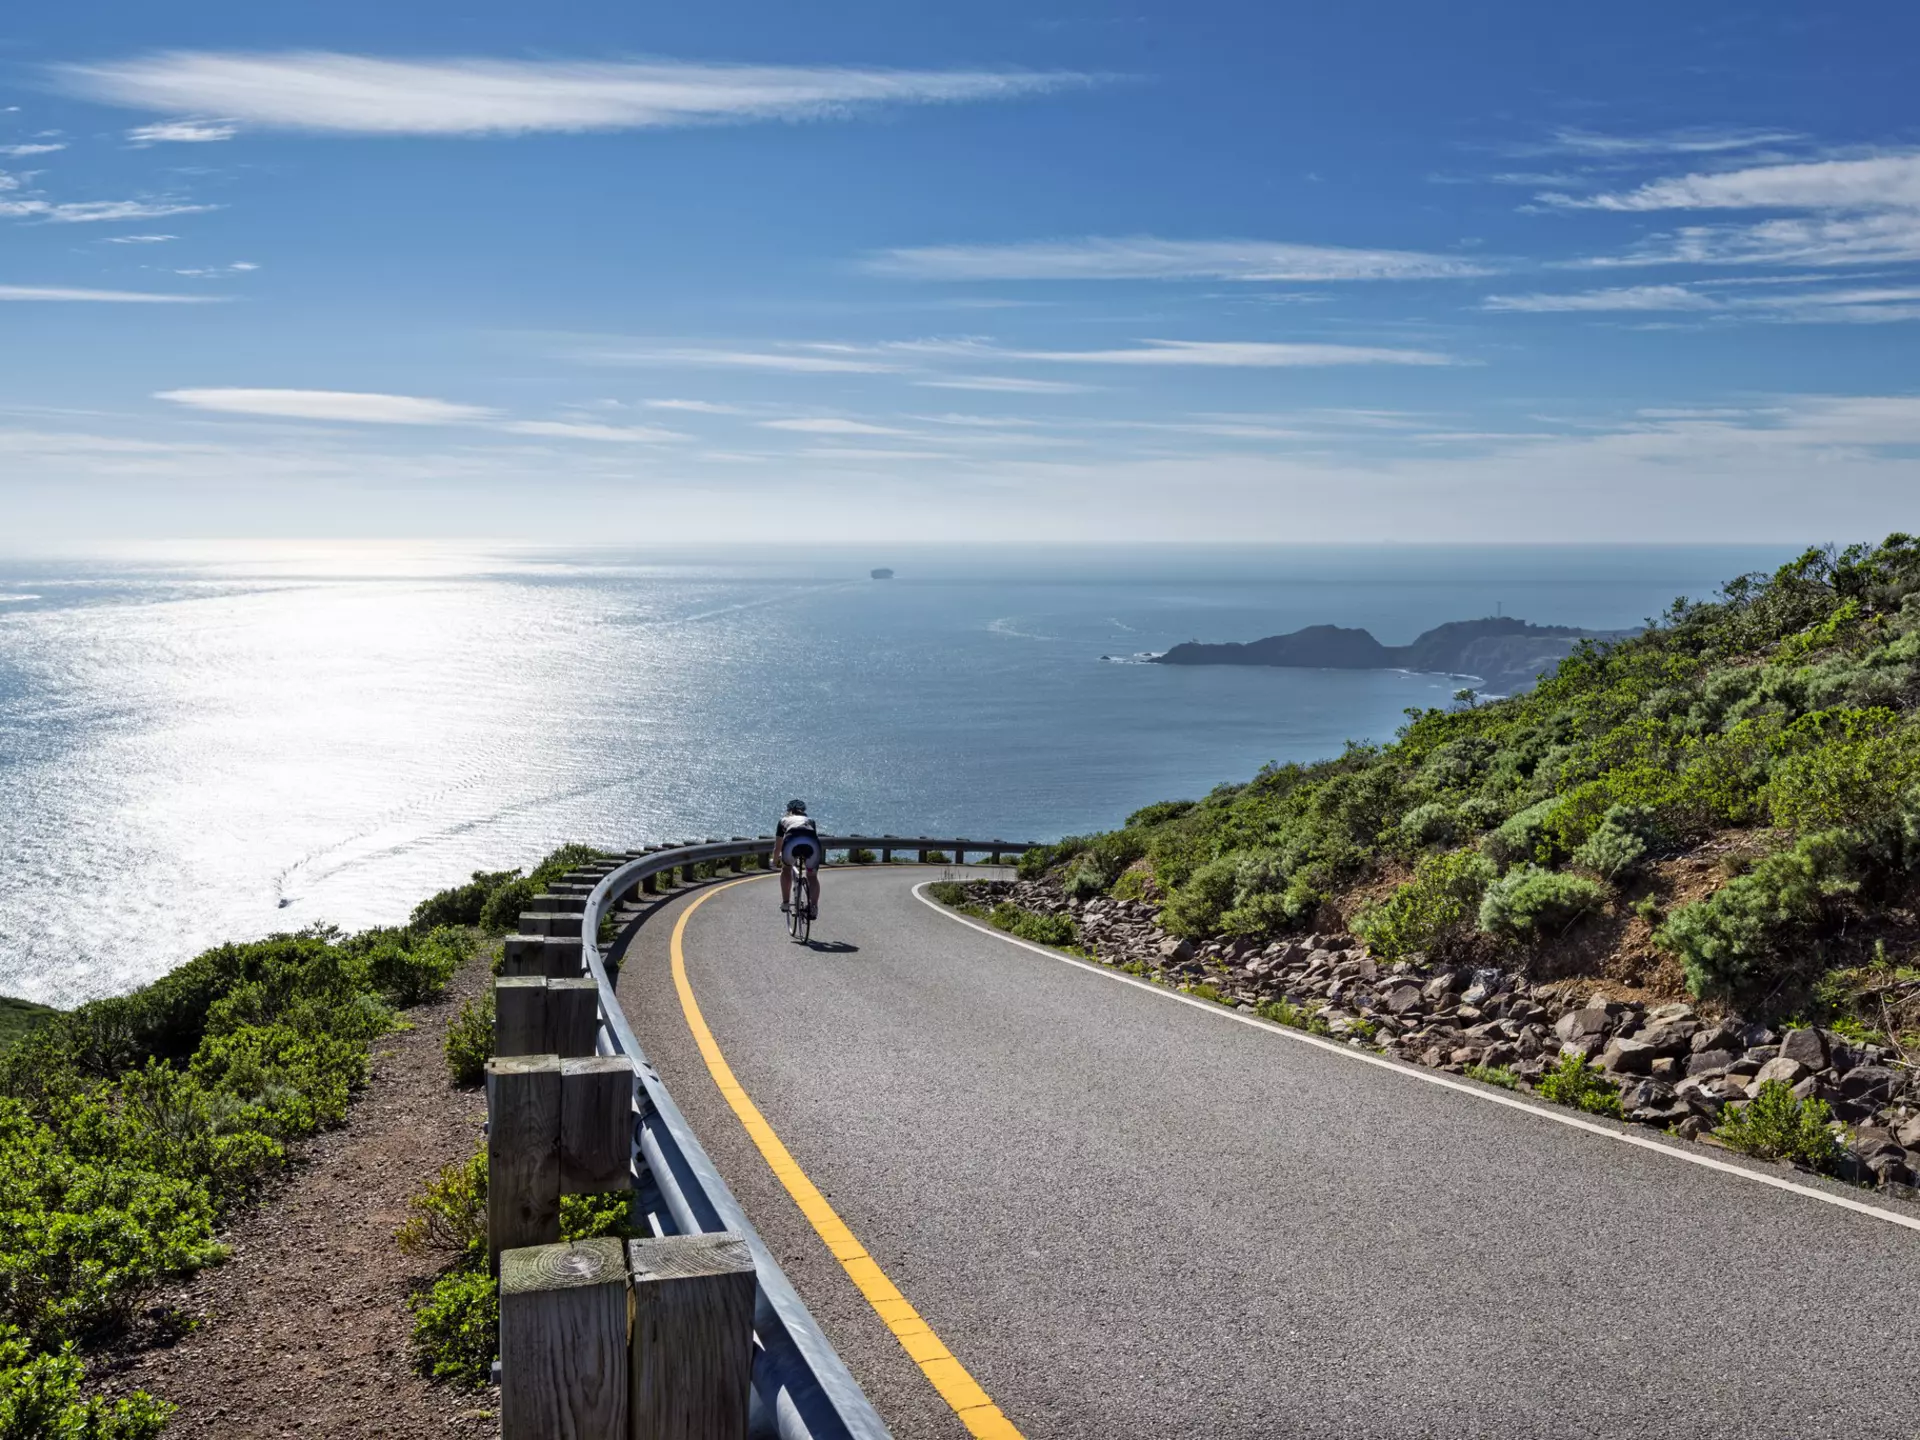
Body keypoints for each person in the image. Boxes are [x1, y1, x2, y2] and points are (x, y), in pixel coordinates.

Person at [775, 799, 821, 920]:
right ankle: (814, 907)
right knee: (812, 876)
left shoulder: (783, 820)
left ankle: (786, 903)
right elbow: (814, 836)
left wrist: (775, 861)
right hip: (812, 844)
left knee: (786, 869)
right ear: (804, 811)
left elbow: (778, 846)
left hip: (792, 842)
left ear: (788, 811)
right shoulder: (810, 820)